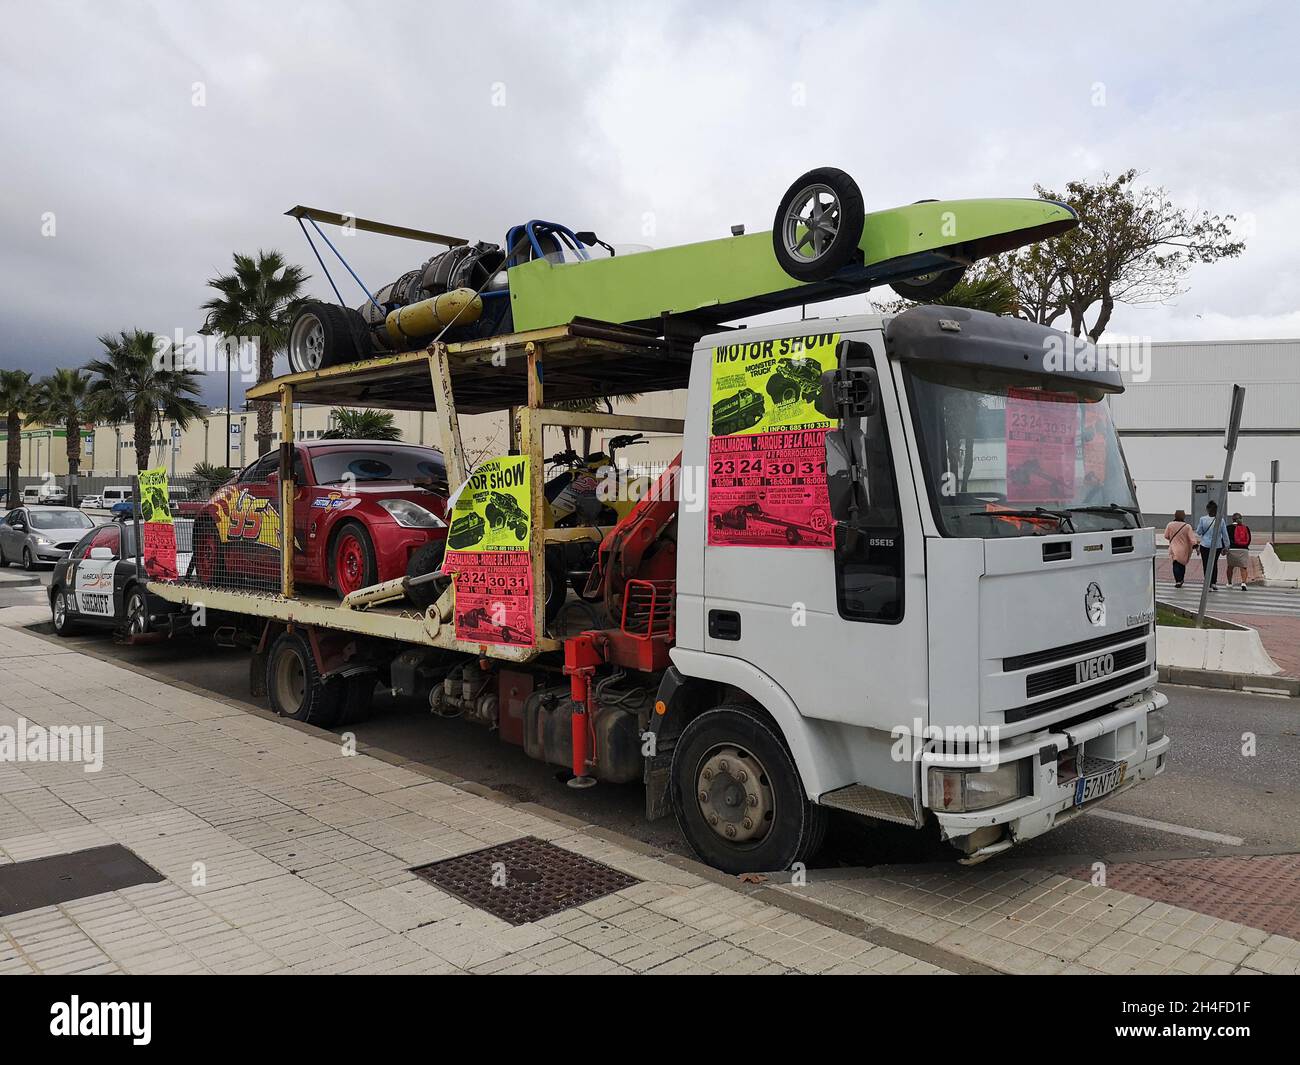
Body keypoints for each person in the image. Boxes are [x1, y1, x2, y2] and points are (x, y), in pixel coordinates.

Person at [1194, 500, 1229, 591]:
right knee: (1214, 563)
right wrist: (1227, 546)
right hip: (1217, 546)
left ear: (1207, 509)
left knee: (1206, 564)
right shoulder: (1220, 519)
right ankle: (1213, 582)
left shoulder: (1203, 519)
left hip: (1205, 545)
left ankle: (1208, 584)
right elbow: (1225, 534)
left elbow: (1199, 532)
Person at [1163, 509, 1197, 588]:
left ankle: (1177, 580)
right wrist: (1195, 545)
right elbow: (1192, 538)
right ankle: (1181, 579)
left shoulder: (1170, 525)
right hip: (1184, 549)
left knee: (1175, 564)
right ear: (1184, 516)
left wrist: (1173, 539)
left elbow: (1166, 536)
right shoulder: (1187, 526)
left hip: (1174, 548)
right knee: (1182, 565)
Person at [1226, 511, 1253, 591]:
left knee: (1230, 567)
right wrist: (1245, 546)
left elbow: (1225, 538)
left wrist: (1225, 548)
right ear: (1241, 519)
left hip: (1232, 550)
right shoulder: (1245, 527)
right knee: (1243, 567)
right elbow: (1249, 539)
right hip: (1243, 550)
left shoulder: (1228, 528)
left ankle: (1230, 583)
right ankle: (1243, 583)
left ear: (1232, 519)